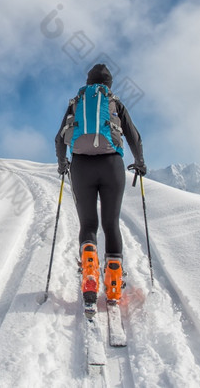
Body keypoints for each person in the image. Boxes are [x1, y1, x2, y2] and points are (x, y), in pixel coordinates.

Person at [55, 64, 146, 304]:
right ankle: (114, 285)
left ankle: (89, 277)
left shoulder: (77, 102)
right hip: (112, 166)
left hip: (81, 166)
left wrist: (62, 162)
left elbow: (59, 138)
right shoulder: (114, 102)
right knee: (110, 223)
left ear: (88, 81)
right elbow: (133, 136)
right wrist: (140, 162)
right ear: (109, 84)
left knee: (88, 224)